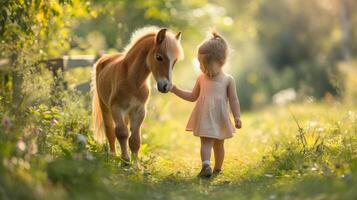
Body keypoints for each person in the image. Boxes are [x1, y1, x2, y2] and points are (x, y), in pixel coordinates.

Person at [170, 32, 242, 178]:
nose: (202, 68)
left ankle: (217, 169)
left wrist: (237, 116)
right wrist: (175, 89)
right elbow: (192, 96)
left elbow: (234, 100)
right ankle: (206, 166)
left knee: (219, 144)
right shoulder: (201, 79)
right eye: (199, 64)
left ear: (220, 62)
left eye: (205, 64)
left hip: (220, 116)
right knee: (206, 142)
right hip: (205, 116)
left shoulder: (228, 80)